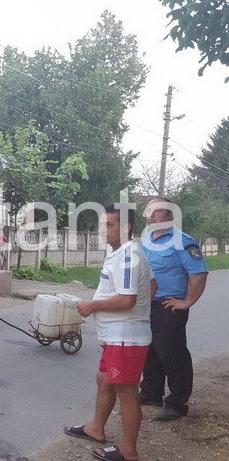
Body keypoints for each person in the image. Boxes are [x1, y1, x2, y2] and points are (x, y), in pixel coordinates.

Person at [64, 205, 154, 461]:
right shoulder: (125, 253)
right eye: (102, 225)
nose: (102, 230)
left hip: (125, 338)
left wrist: (92, 306)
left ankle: (128, 450)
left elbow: (127, 300)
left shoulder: (128, 257)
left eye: (109, 225)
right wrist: (142, 310)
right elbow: (152, 284)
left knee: (126, 391)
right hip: (116, 335)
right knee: (104, 380)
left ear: (126, 228)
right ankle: (95, 428)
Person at [139, 197, 208, 421]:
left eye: (156, 211)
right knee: (149, 350)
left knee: (172, 353)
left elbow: (198, 273)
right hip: (146, 303)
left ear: (169, 216)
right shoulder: (146, 239)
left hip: (169, 305)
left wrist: (187, 302)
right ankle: (151, 393)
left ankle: (177, 403)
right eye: (149, 211)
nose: (150, 215)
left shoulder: (183, 241)